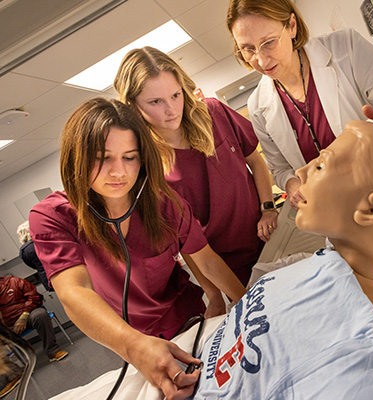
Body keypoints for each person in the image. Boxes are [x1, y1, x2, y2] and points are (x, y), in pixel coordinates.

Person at [29, 98, 247, 400]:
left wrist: (245, 304)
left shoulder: (163, 203)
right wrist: (134, 345)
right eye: (103, 158)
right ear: (75, 159)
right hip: (129, 337)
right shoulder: (52, 217)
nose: (119, 172)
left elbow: (205, 259)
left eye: (130, 157)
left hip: (188, 318)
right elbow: (74, 291)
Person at [189, 120, 373, 399]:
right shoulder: (324, 264)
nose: (301, 171)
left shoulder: (354, 357)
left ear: (371, 208)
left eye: (320, 165)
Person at [227, 0, 373, 209]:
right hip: (334, 208)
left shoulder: (344, 47)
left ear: (291, 26)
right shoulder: (257, 106)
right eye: (248, 49)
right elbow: (279, 169)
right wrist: (292, 184)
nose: (261, 61)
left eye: (269, 42)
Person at [114, 47, 279, 288]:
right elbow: (183, 241)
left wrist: (268, 209)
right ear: (133, 106)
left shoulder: (213, 113)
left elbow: (254, 159)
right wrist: (213, 293)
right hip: (226, 268)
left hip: (270, 236)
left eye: (175, 95)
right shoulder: (144, 166)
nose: (171, 110)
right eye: (156, 102)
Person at [0, 275, 68, 362]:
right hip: (8, 327)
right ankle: (16, 372)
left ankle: (53, 351)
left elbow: (34, 297)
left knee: (40, 315)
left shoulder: (14, 282)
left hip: (28, 315)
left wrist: (24, 315)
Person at [17, 221, 51, 291]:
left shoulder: (23, 251)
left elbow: (32, 265)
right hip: (59, 271)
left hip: (46, 278)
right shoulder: (42, 240)